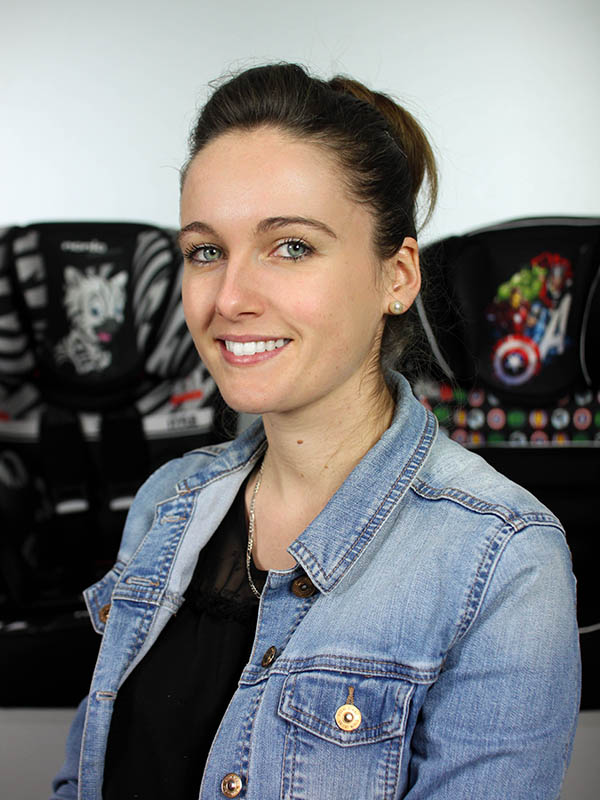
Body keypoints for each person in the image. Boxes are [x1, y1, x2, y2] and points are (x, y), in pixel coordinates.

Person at [51, 63, 580, 800]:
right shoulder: (168, 501)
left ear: (397, 277)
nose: (229, 298)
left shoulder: (503, 564)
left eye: (291, 246)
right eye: (206, 251)